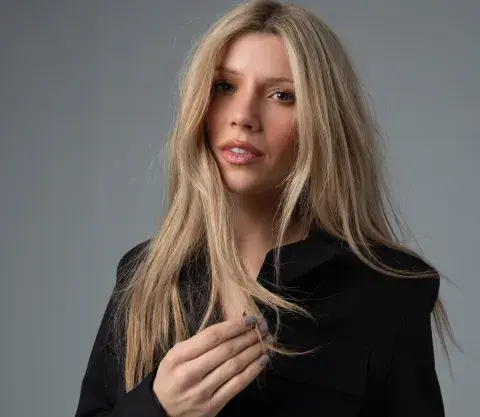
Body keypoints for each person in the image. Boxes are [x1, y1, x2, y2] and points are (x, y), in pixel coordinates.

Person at [74, 1, 455, 416]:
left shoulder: (390, 289)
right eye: (225, 86)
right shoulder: (145, 275)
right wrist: (158, 408)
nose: (243, 116)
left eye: (281, 95)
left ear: (323, 120)